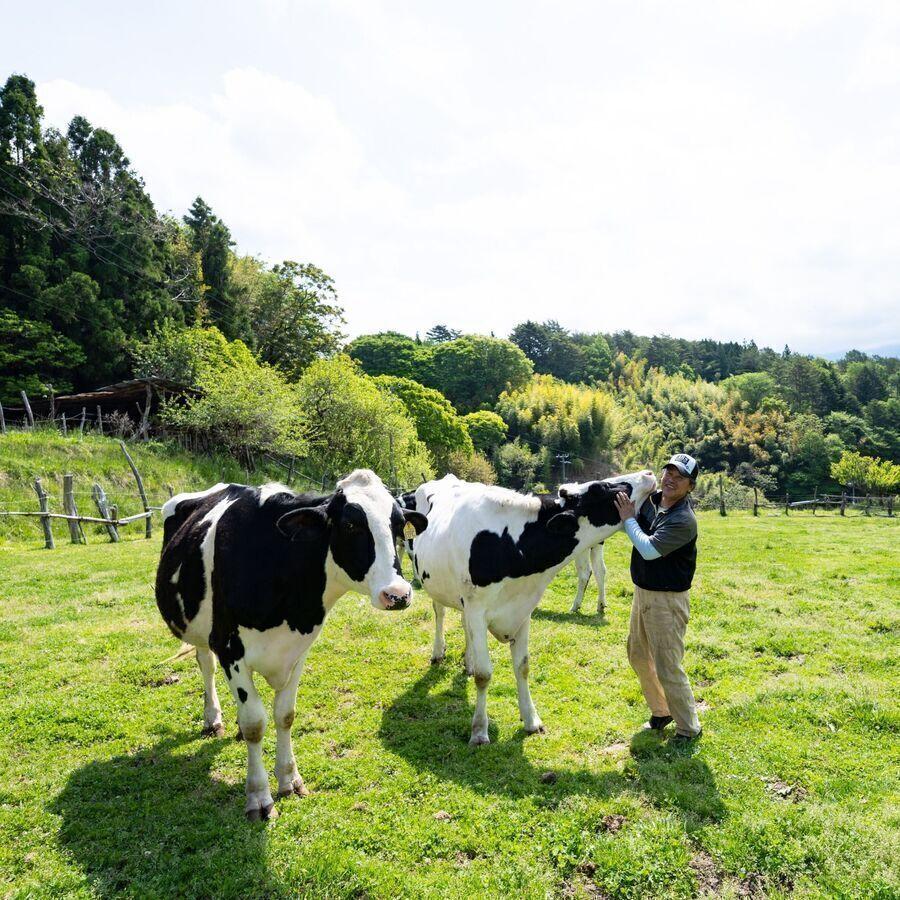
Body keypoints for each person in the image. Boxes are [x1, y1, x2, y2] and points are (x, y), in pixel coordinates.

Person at [613, 453, 702, 743]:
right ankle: (661, 712)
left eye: (680, 476)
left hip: (667, 600)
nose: (671, 479)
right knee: (637, 655)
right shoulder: (652, 502)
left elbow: (648, 549)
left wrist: (628, 520)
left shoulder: (683, 520)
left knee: (667, 665)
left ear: (690, 486)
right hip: (642, 593)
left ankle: (688, 728)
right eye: (669, 472)